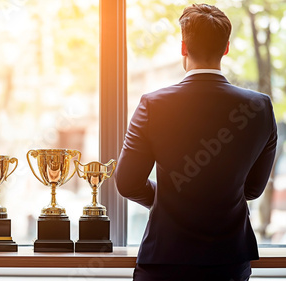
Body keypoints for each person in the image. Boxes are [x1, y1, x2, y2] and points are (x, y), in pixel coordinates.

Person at [114, 4, 277, 281]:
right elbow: (252, 189)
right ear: (225, 48)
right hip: (228, 264)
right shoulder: (260, 107)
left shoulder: (153, 105)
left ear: (183, 47)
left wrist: (166, 195)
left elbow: (127, 182)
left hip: (164, 262)